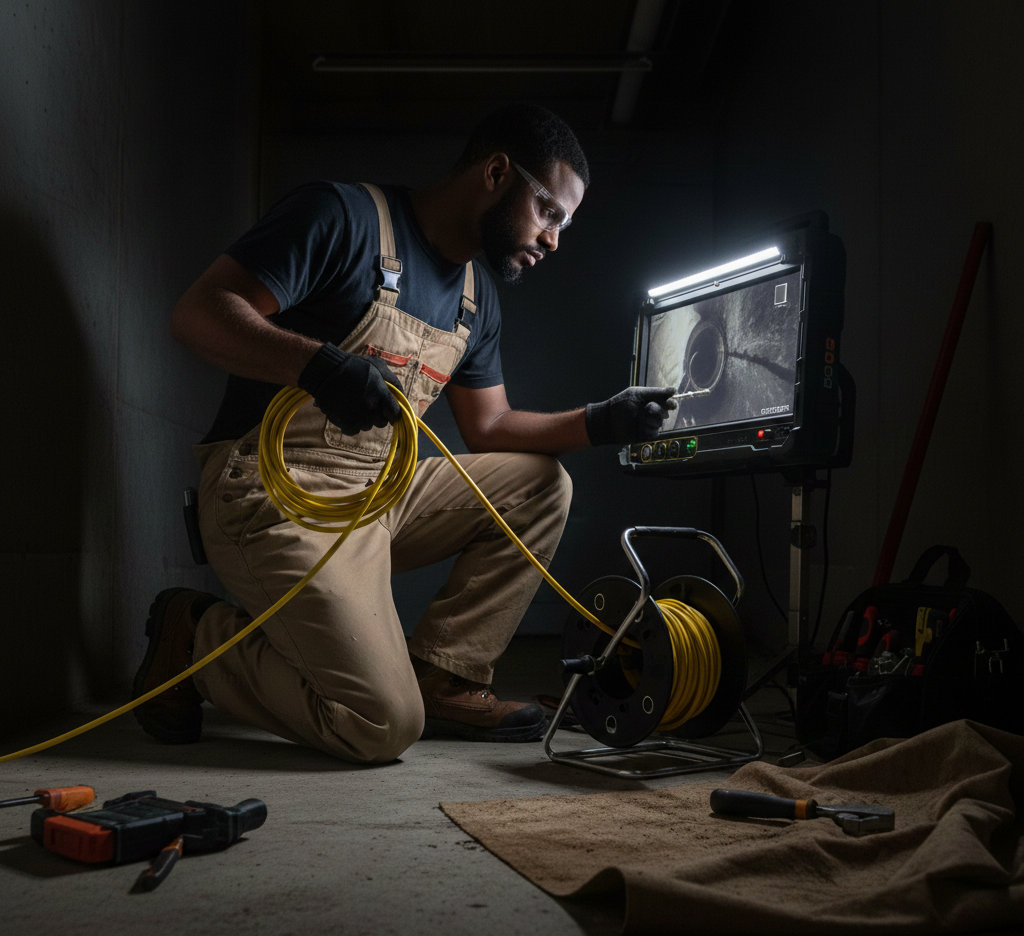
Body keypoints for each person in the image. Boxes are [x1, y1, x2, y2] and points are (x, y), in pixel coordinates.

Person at [132, 103, 675, 763]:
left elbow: (491, 427)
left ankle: (445, 678)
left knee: (540, 484)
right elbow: (198, 314)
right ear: (497, 172)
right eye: (549, 213)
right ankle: (194, 639)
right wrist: (316, 364)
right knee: (377, 723)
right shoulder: (342, 218)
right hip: (272, 494)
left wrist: (601, 421)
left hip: (376, 496)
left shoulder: (477, 296)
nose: (554, 239)